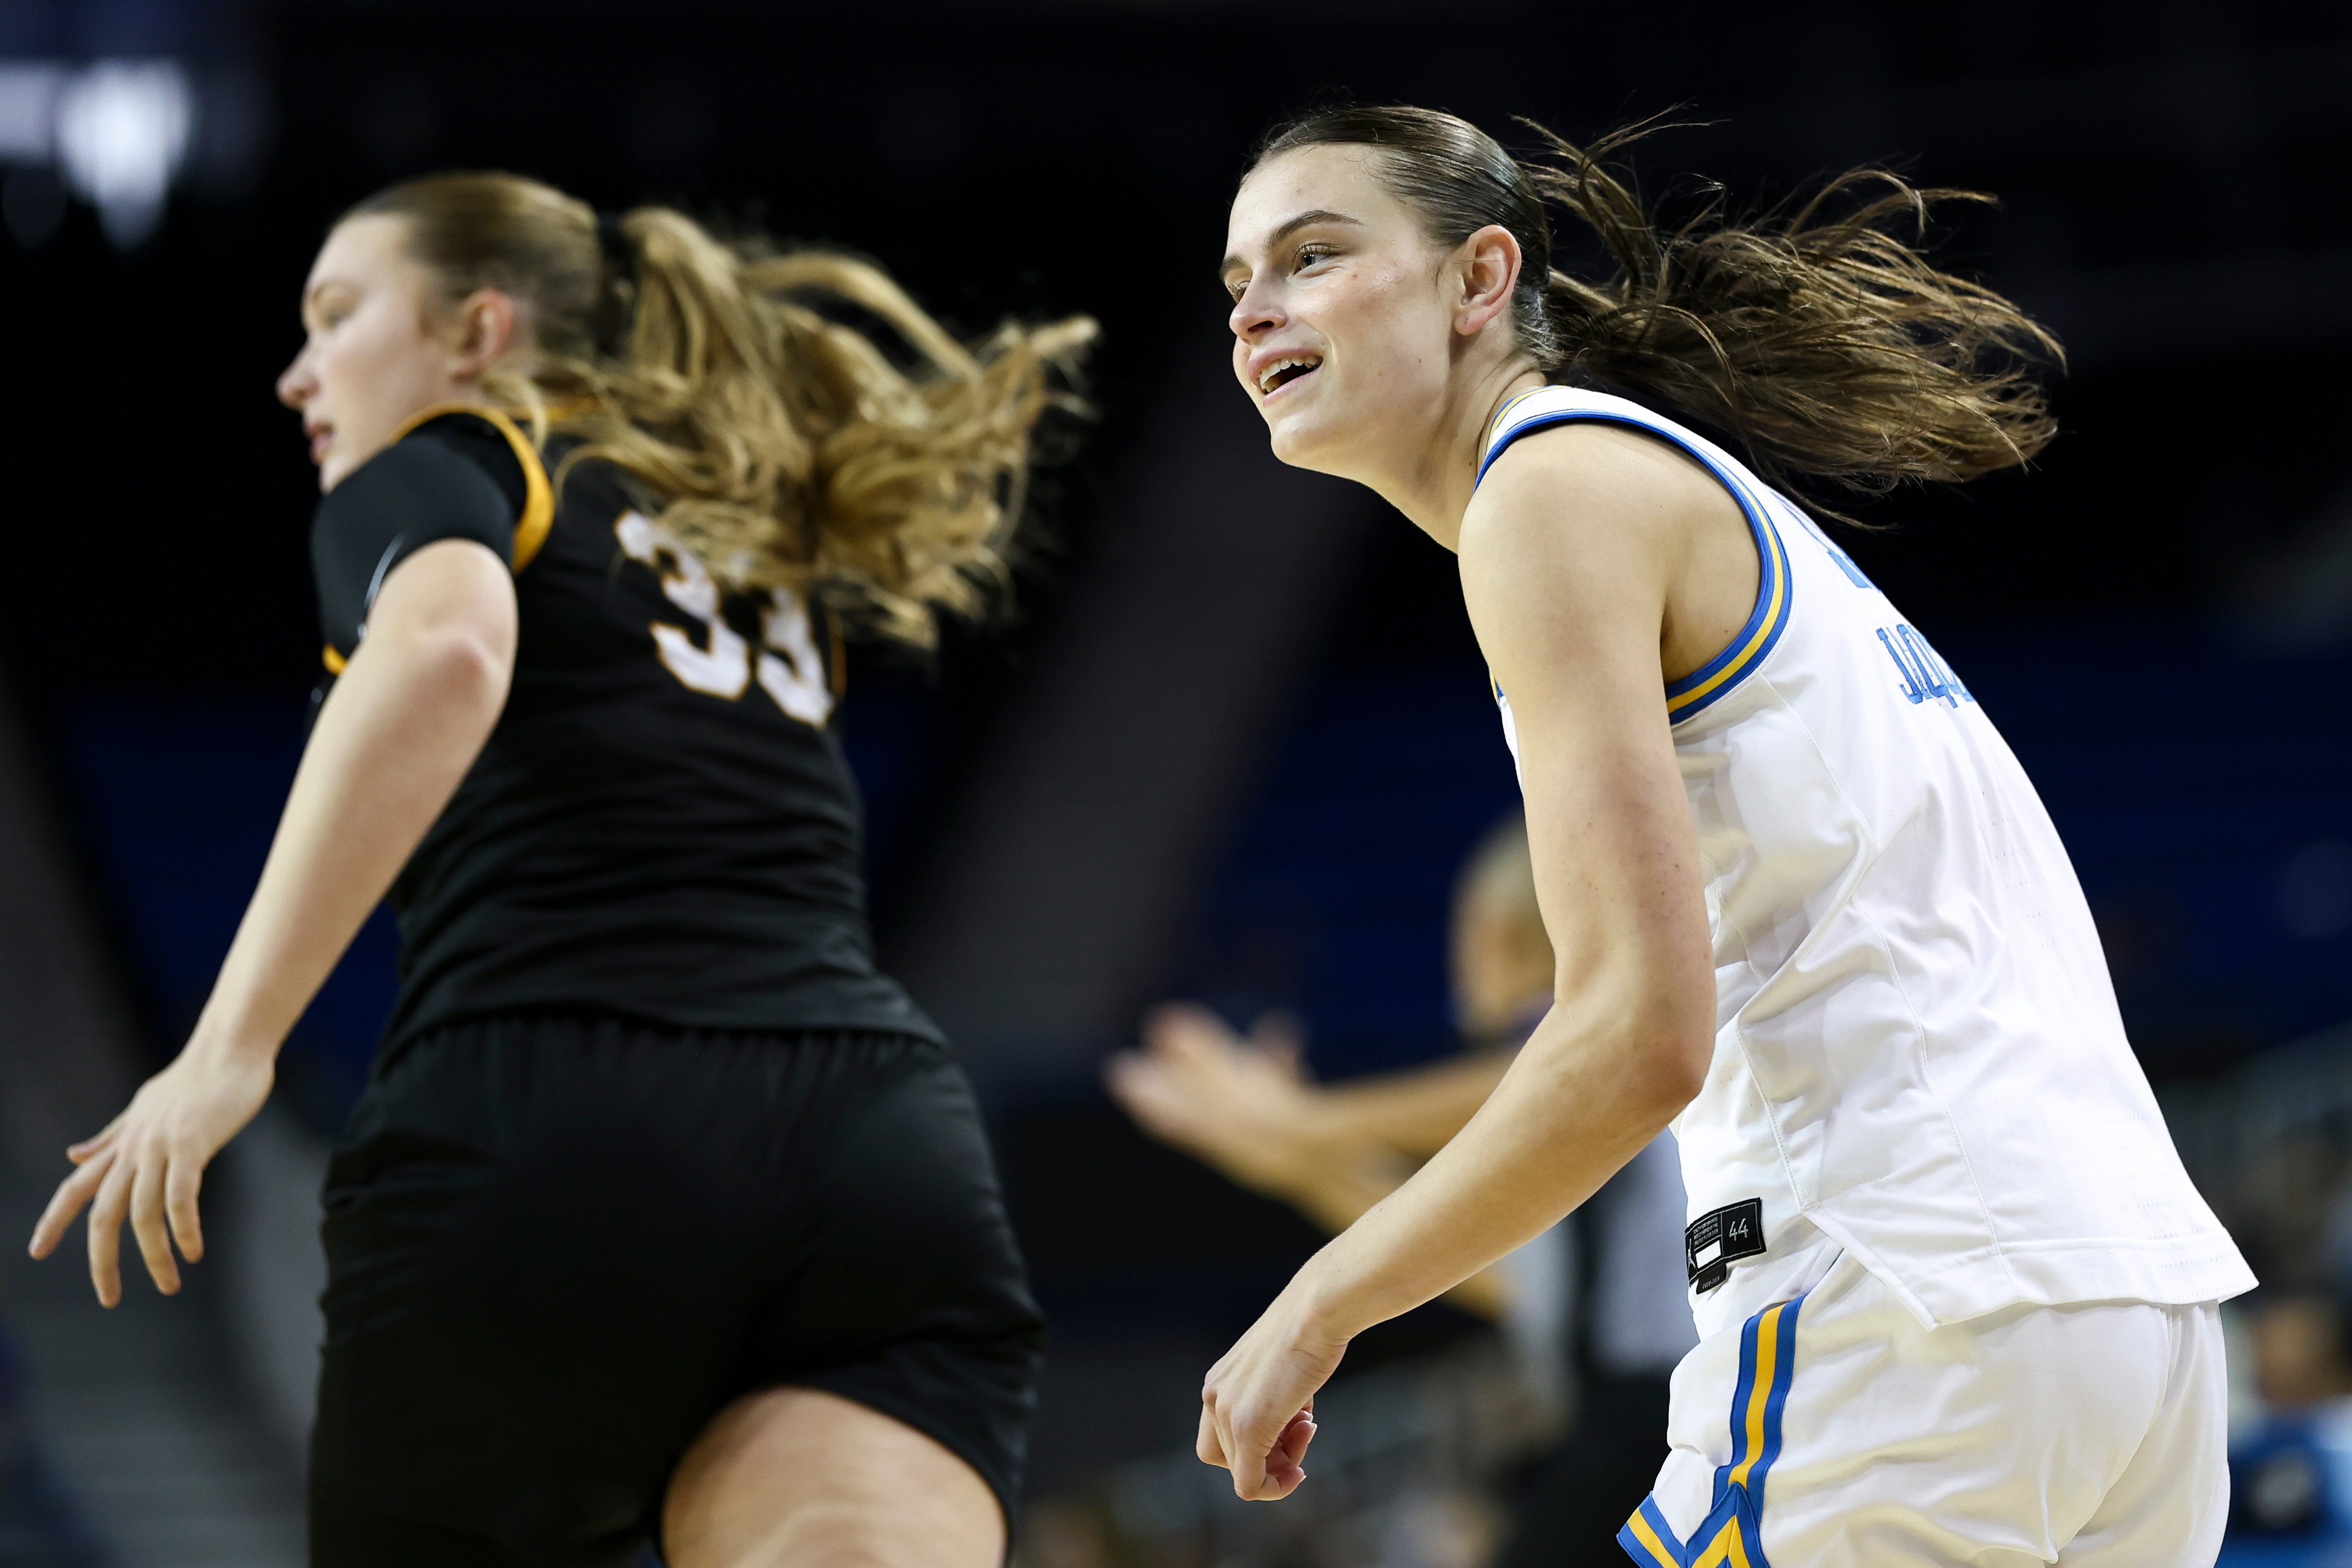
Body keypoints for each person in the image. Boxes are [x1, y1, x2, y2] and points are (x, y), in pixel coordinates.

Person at [1197, 106, 2255, 1567]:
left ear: (1476, 278)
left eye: (1312, 256)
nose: (1257, 305)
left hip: (1896, 1293)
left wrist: (1319, 1302)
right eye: (1238, 277)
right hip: (2126, 1315)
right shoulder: (1670, 489)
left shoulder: (1546, 489)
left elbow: (1635, 1032)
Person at [26, 172, 1088, 1567]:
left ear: (476, 334)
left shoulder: (454, 456)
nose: (297, 376)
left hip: (554, 1125)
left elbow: (451, 650)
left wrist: (231, 1047)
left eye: (337, 316)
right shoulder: (748, 546)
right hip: (873, 1145)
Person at [1107, 810, 1695, 1564]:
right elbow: (1493, 1267)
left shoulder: (1593, 1039)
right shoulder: (1580, 1126)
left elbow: (1564, 1075)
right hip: (1627, 1426)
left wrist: (1306, 1122)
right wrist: (1289, 1161)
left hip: (1653, 1422)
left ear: (1495, 926)